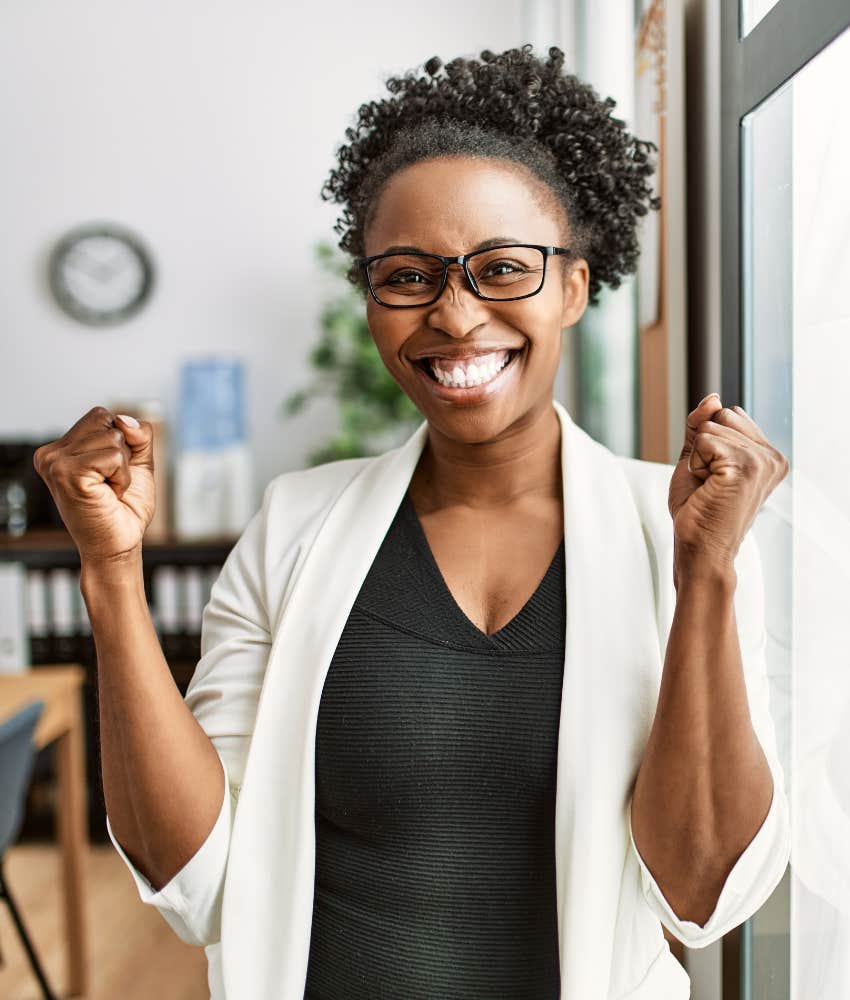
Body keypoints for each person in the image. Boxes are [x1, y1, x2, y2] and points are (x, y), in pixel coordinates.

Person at [34, 44, 790, 1000]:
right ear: (373, 301)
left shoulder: (680, 535)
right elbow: (192, 880)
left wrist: (708, 576)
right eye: (408, 275)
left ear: (573, 287)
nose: (457, 315)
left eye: (502, 270)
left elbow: (704, 893)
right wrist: (110, 572)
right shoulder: (295, 526)